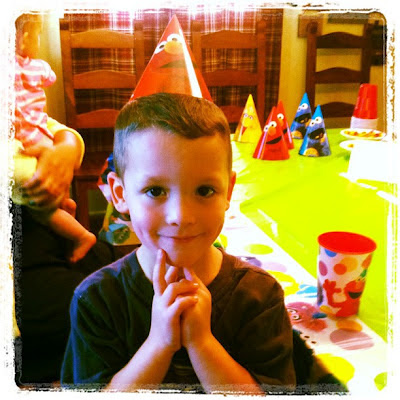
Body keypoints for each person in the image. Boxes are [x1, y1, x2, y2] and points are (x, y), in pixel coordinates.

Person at [61, 92, 296, 394]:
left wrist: (202, 343)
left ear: (228, 191)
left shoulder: (260, 297)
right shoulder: (96, 300)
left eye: (204, 190)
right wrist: (159, 344)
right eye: (155, 191)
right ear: (120, 194)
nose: (181, 216)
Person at [13, 13, 96, 263]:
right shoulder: (35, 67)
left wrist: (68, 146)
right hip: (32, 247)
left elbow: (55, 127)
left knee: (40, 201)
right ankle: (68, 214)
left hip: (36, 147)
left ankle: (67, 215)